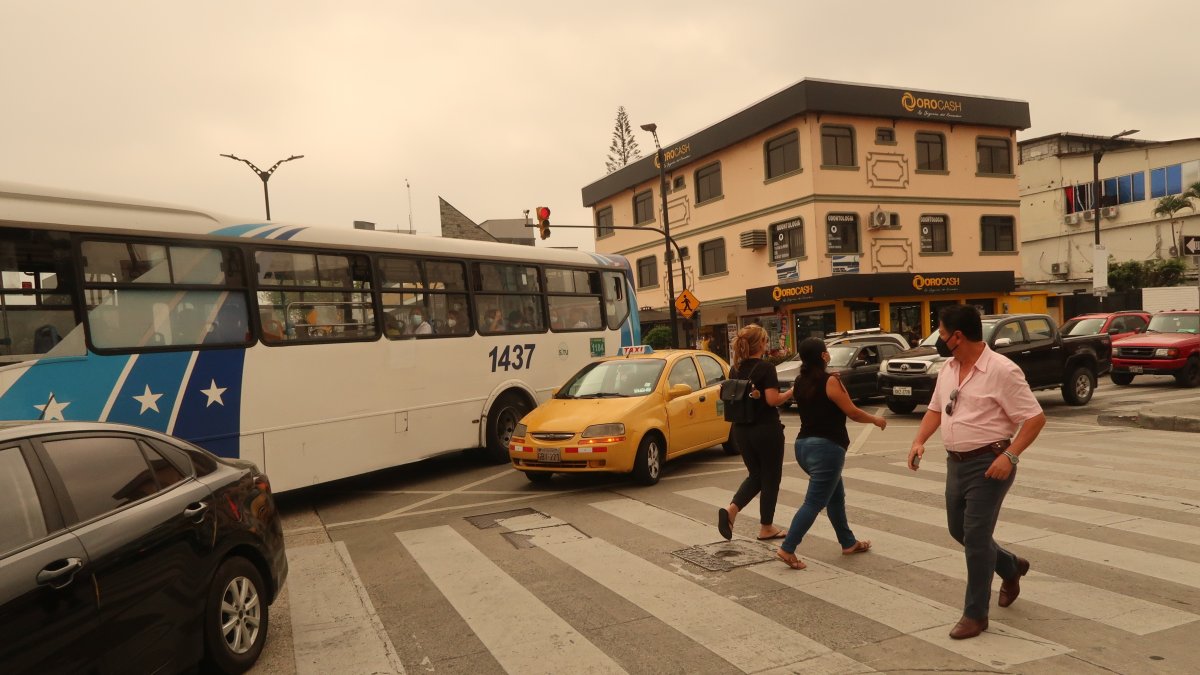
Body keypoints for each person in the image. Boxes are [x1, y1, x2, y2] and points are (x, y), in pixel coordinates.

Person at [907, 304, 1046, 640]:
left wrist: (1010, 456)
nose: (939, 339)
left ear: (957, 336)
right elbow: (936, 409)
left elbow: (1035, 418)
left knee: (976, 539)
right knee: (960, 531)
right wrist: (919, 440)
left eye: (940, 333)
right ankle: (1011, 567)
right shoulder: (947, 369)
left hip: (990, 465)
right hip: (955, 463)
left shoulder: (1002, 370)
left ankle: (975, 615)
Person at [776, 337, 886, 570]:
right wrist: (875, 419)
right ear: (823, 356)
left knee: (836, 496)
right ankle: (787, 548)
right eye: (826, 352)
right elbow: (853, 412)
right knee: (814, 502)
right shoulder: (830, 382)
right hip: (826, 449)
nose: (828, 354)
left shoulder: (800, 380)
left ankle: (848, 543)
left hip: (803, 447)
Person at [717, 324, 793, 542]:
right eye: (766, 340)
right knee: (771, 478)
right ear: (760, 344)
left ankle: (731, 511)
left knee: (756, 475)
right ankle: (766, 527)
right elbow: (772, 400)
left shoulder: (735, 369)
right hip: (766, 430)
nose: (766, 344)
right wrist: (790, 392)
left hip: (741, 430)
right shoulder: (766, 368)